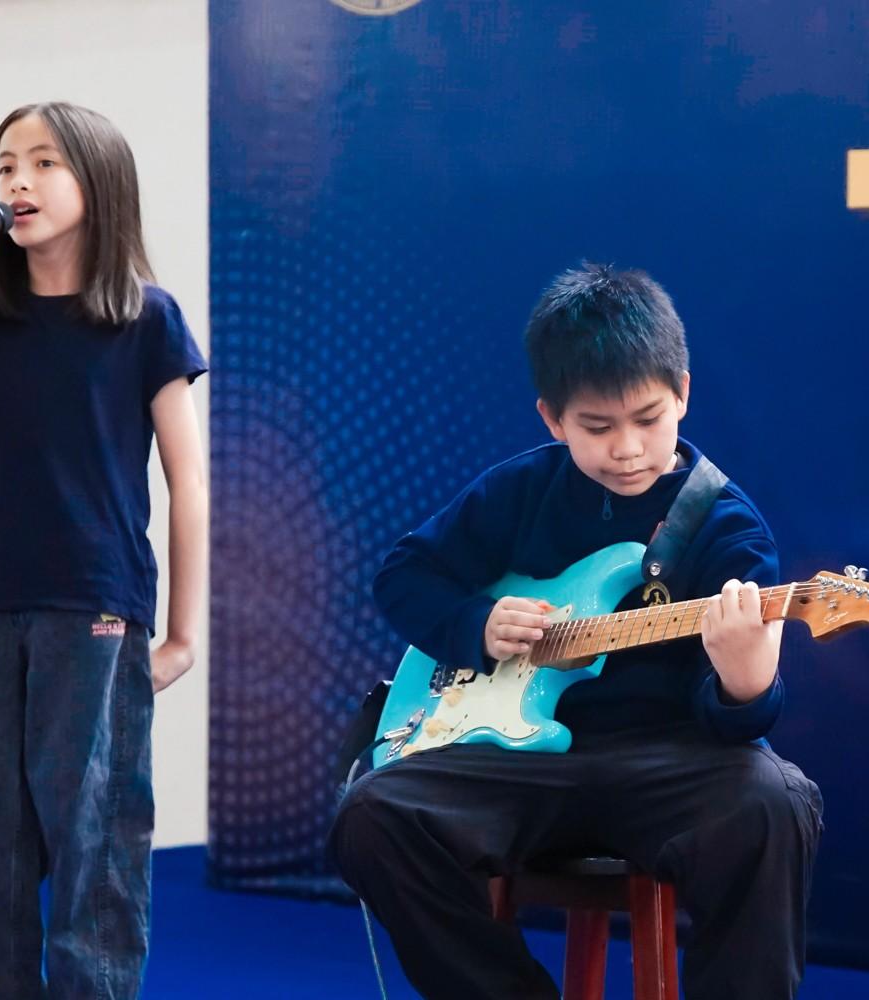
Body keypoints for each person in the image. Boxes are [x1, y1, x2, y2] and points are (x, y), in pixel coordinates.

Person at [329, 263, 823, 1000]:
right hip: (516, 766)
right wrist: (477, 623)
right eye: (597, 427)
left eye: (648, 419)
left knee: (773, 803)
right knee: (371, 816)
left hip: (665, 761)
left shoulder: (726, 527)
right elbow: (404, 575)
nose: (626, 448)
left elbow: (740, 723)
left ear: (683, 393)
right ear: (552, 419)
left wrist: (744, 679)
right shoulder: (518, 491)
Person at [0, 102, 207, 999]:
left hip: (94, 603)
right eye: (3, 167)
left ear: (99, 181)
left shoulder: (145, 319)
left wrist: (181, 631)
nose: (17, 184)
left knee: (93, 832)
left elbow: (187, 480)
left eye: (42, 164)